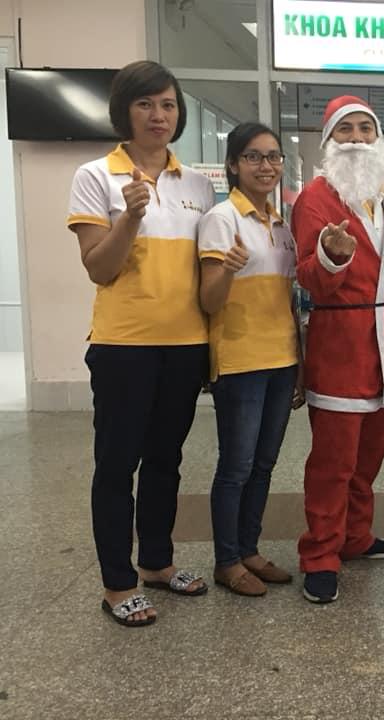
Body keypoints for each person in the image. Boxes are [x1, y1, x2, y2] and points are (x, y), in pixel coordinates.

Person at [67, 60, 213, 627]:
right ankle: (117, 582)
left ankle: (156, 561)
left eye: (168, 104)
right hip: (124, 346)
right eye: (145, 104)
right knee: (116, 463)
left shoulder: (197, 184)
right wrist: (129, 216)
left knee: (165, 460)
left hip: (186, 343)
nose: (159, 115)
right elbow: (98, 269)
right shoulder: (95, 175)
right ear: (123, 111)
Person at [291, 96, 384, 604]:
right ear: (328, 140)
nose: (357, 139)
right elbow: (310, 280)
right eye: (346, 130)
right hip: (340, 345)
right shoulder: (314, 199)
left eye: (365, 129)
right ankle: (320, 554)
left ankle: (355, 536)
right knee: (332, 464)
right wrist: (331, 258)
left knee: (368, 458)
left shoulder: (380, 199)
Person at [198, 123, 303, 597]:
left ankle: (249, 550)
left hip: (282, 358)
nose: (266, 166)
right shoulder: (222, 219)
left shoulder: (281, 225)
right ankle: (227, 560)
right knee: (236, 467)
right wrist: (227, 270)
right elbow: (209, 299)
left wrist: (300, 362)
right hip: (240, 361)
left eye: (274, 156)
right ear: (234, 164)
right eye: (254, 157)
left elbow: (288, 300)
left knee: (264, 465)